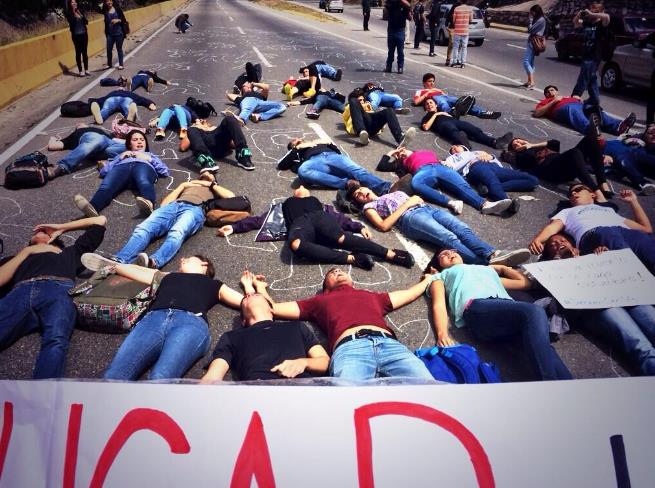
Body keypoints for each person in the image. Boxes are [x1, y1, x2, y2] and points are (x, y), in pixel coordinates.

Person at [246, 268, 435, 381]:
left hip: (390, 346)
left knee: (429, 391)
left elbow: (409, 294)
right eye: (332, 273)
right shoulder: (319, 301)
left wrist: (428, 279)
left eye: (340, 270)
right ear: (325, 286)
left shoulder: (373, 296)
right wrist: (260, 288)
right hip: (351, 349)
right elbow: (273, 308)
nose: (337, 272)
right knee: (347, 405)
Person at [80, 254, 244, 380]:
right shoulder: (168, 276)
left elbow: (244, 301)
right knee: (115, 375)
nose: (182, 259)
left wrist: (253, 289)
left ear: (204, 264)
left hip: (190, 323)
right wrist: (114, 266)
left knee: (161, 378)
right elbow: (140, 273)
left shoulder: (214, 284)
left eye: (188, 258)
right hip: (153, 319)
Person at [425, 248, 572, 380]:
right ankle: (550, 384)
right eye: (443, 255)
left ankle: (574, 396)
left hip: (507, 312)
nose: (450, 253)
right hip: (478, 308)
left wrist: (502, 268)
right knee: (534, 311)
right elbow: (439, 304)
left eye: (452, 250)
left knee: (546, 349)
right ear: (438, 266)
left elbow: (524, 283)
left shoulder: (485, 271)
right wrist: (442, 333)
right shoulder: (442, 276)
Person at [0, 216, 107, 379]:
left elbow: (100, 221)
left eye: (46, 232)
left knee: (56, 340)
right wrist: (26, 252)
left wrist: (62, 227)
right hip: (21, 290)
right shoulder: (17, 258)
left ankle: (43, 396)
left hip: (59, 290)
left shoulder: (71, 252)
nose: (42, 232)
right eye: (38, 232)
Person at [218, 186, 415, 270]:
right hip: (300, 224)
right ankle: (353, 259)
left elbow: (338, 217)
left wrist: (357, 225)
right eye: (299, 188)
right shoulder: (283, 205)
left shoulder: (320, 204)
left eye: (304, 188)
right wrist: (234, 228)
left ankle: (389, 253)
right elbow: (259, 220)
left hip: (319, 218)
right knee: (295, 245)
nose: (301, 187)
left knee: (340, 238)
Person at [540, 234, 655, 376]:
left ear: (571, 243)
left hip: (629, 297)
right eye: (553, 245)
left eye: (563, 240)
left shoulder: (592, 254)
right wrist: (558, 258)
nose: (559, 244)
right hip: (601, 307)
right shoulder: (549, 269)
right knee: (641, 347)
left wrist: (607, 256)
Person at [347, 184, 532, 266]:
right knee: (448, 237)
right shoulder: (369, 208)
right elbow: (384, 225)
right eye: (357, 196)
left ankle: (493, 254)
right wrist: (408, 203)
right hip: (410, 218)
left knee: (461, 228)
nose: (361, 193)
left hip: (427, 209)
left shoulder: (389, 192)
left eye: (361, 190)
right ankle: (488, 265)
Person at [202, 271, 330, 382]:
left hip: (299, 390)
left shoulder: (296, 327)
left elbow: (324, 361)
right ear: (243, 321)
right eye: (246, 298)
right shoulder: (232, 337)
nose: (250, 295)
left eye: (256, 295)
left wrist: (303, 362)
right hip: (258, 393)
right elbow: (213, 376)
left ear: (272, 309)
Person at [107, 173, 236, 269]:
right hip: (174, 205)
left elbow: (231, 197)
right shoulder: (188, 186)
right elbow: (164, 205)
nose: (206, 174)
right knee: (143, 228)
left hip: (196, 209)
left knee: (177, 232)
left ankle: (153, 262)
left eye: (210, 174)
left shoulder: (215, 188)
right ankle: (120, 259)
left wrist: (212, 184)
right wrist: (182, 186)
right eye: (203, 174)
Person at [529, 186, 655, 273]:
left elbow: (646, 229)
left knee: (648, 246)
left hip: (626, 232)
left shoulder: (608, 210)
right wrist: (538, 240)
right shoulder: (567, 211)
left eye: (578, 190)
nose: (573, 193)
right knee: (627, 265)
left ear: (593, 194)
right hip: (596, 233)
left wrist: (634, 202)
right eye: (570, 194)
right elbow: (553, 227)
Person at [377, 147, 516, 215]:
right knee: (416, 183)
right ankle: (450, 203)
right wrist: (391, 153)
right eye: (399, 155)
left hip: (440, 167)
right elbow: (382, 166)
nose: (401, 153)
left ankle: (485, 205)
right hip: (422, 171)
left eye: (403, 151)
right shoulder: (403, 163)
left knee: (462, 185)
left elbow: (458, 156)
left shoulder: (425, 151)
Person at [73, 130, 169, 217]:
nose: (139, 142)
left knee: (144, 181)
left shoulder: (150, 155)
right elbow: (104, 171)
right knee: (106, 186)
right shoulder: (121, 155)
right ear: (129, 145)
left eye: (142, 140)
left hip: (143, 166)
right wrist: (119, 158)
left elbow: (164, 171)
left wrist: (148, 159)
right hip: (121, 168)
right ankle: (93, 207)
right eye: (135, 140)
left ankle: (148, 202)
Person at [505, 133, 614, 198]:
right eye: (515, 145)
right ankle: (596, 191)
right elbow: (529, 160)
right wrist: (522, 150)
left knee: (590, 138)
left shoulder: (534, 147)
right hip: (551, 171)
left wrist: (531, 145)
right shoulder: (522, 155)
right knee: (575, 152)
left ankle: (602, 183)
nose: (519, 144)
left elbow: (555, 143)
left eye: (519, 141)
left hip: (562, 164)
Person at [279, 137, 396, 194]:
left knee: (355, 170)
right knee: (303, 170)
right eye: (294, 142)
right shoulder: (298, 152)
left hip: (332, 156)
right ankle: (347, 184)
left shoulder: (316, 142)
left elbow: (337, 151)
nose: (297, 139)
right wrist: (297, 149)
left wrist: (326, 143)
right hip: (315, 161)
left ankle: (387, 188)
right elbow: (281, 165)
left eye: (299, 139)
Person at [443, 144, 539, 214]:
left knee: (533, 180)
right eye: (451, 150)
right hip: (476, 166)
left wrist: (490, 156)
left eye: (455, 146)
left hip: (495, 167)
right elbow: (449, 167)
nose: (453, 149)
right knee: (493, 182)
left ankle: (490, 189)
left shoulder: (476, 152)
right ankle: (506, 202)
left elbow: (493, 158)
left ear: (463, 147)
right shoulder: (453, 157)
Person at [533, 85, 635, 136]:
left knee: (592, 107)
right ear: (545, 95)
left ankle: (619, 127)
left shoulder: (568, 97)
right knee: (571, 108)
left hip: (578, 105)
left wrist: (581, 101)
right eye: (547, 92)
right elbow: (537, 113)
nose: (550, 92)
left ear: (557, 91)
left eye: (552, 90)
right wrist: (553, 101)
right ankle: (589, 128)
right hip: (562, 110)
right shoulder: (546, 101)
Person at [421, 98, 513, 149]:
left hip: (456, 122)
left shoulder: (444, 110)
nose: (429, 105)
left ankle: (494, 142)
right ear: (425, 108)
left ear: (436, 104)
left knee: (474, 130)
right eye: (427, 104)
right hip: (443, 125)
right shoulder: (427, 117)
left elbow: (455, 113)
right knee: (454, 132)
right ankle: (465, 146)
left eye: (431, 103)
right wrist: (437, 114)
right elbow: (426, 127)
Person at [46, 125, 125, 179]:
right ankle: (62, 166)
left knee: (129, 147)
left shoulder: (99, 130)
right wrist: (52, 138)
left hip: (108, 145)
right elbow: (52, 146)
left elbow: (116, 141)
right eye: (78, 125)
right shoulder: (75, 134)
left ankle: (110, 163)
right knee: (97, 140)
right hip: (93, 142)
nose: (80, 124)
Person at [571, 1, 611, 108]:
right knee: (591, 78)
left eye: (595, 9)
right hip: (586, 54)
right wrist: (580, 14)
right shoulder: (588, 23)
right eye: (591, 8)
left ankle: (574, 97)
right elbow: (576, 23)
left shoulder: (602, 24)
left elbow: (607, 17)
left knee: (583, 77)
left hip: (594, 56)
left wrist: (592, 14)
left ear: (601, 11)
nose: (592, 11)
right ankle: (594, 99)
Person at [344, 88, 416, 146]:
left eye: (363, 100)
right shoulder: (351, 106)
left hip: (371, 124)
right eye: (360, 100)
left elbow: (376, 116)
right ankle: (362, 133)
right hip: (359, 125)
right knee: (353, 101)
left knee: (389, 111)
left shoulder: (368, 105)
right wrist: (354, 106)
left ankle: (400, 138)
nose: (362, 101)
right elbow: (345, 117)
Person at [180, 116, 254, 171]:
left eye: (203, 120)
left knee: (230, 119)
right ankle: (206, 161)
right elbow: (183, 147)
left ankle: (243, 157)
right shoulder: (194, 131)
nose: (202, 120)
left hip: (218, 140)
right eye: (200, 120)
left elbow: (233, 144)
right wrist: (195, 127)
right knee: (191, 129)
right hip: (204, 144)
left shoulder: (215, 128)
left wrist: (233, 132)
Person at [413, 73, 500, 119]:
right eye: (429, 81)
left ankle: (482, 112)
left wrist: (440, 92)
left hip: (445, 97)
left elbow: (446, 97)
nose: (432, 83)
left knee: (460, 102)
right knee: (442, 102)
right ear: (424, 83)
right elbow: (416, 102)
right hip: (434, 99)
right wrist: (427, 93)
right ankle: (451, 114)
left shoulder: (437, 89)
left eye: (433, 81)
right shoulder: (420, 91)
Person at [89, 89, 157, 124]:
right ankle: (130, 118)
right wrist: (150, 103)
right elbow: (140, 99)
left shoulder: (112, 93)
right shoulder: (129, 93)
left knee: (106, 108)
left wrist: (94, 101)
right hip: (126, 99)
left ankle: (100, 117)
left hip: (112, 98)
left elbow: (102, 99)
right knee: (127, 107)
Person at [385, 0, 411, 74]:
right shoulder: (392, 4)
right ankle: (389, 67)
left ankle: (399, 67)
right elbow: (386, 4)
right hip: (392, 30)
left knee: (400, 51)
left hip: (399, 31)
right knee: (391, 51)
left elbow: (409, 9)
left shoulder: (404, 7)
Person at [523, 4, 546, 89]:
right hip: (534, 41)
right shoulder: (540, 19)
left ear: (536, 12)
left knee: (526, 62)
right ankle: (530, 81)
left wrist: (530, 20)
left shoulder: (541, 20)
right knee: (531, 62)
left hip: (534, 42)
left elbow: (530, 30)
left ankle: (532, 82)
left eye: (532, 12)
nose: (531, 14)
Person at [65, 0, 89, 77]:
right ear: (70, 4)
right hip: (76, 36)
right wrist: (75, 15)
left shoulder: (80, 11)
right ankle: (80, 70)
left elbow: (86, 22)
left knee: (85, 52)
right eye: (72, 2)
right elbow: (72, 24)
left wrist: (80, 15)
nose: (74, 3)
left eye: (75, 2)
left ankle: (86, 69)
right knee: (78, 52)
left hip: (84, 34)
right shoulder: (69, 13)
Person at [102, 0, 127, 70]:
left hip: (119, 33)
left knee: (119, 48)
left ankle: (121, 64)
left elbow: (124, 20)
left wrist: (118, 20)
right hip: (110, 34)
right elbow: (96, 8)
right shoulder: (105, 10)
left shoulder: (118, 9)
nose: (109, 2)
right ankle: (109, 64)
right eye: (107, 1)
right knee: (109, 49)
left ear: (112, 1)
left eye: (110, 1)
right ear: (105, 2)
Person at [450, 0, 472, 68]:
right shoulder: (469, 9)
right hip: (465, 31)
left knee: (456, 47)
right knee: (464, 47)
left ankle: (454, 62)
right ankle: (463, 63)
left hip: (457, 30)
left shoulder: (456, 8)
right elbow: (471, 19)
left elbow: (453, 20)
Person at [444, 0, 460, 66]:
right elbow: (447, 18)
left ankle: (457, 59)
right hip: (452, 29)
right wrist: (447, 27)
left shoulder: (462, 9)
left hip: (459, 29)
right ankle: (448, 59)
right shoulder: (454, 8)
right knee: (451, 44)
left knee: (459, 45)